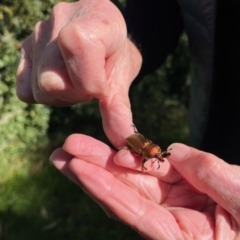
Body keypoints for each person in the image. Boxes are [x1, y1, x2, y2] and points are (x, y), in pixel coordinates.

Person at [16, 0, 240, 239]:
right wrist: (126, 43)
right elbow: (157, 12)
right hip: (210, 127)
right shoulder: (150, 149)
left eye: (155, 157)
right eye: (157, 155)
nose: (156, 158)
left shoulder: (147, 152)